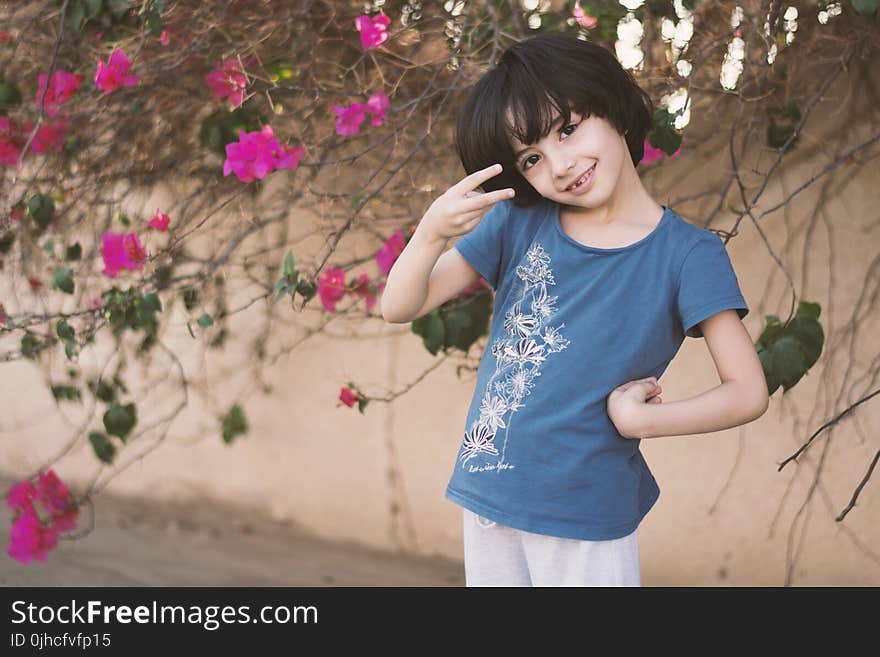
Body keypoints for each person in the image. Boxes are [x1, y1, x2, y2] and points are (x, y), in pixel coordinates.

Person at [380, 33, 769, 587]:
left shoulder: (687, 254)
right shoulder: (518, 223)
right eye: (532, 158)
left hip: (586, 509)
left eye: (568, 128)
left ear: (611, 107)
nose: (560, 164)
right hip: (488, 491)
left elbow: (747, 391)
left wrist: (644, 421)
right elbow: (400, 306)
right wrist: (430, 232)